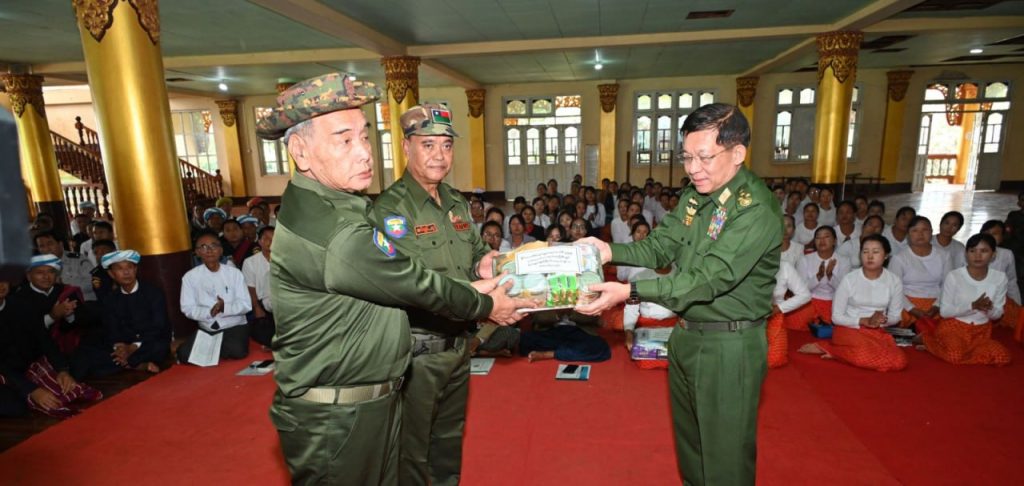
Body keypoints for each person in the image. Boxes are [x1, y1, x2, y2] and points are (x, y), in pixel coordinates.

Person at [254, 73, 529, 485]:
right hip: (342, 412)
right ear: (300, 151)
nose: (364, 153)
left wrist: (484, 269)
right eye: (344, 140)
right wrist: (489, 304)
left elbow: (457, 260)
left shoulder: (333, 204)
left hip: (372, 393)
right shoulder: (342, 229)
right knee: (414, 462)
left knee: (440, 451)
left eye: (365, 137)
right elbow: (415, 282)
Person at [575, 103, 781, 485]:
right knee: (692, 450)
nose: (692, 168)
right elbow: (660, 247)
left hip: (729, 346)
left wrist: (629, 291)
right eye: (686, 157)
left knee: (724, 460)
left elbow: (705, 281)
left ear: (737, 153)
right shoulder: (696, 194)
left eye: (704, 157)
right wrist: (608, 251)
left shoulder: (754, 210)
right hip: (686, 334)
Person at [371, 102, 503, 486]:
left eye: (446, 145)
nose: (439, 155)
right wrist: (484, 297)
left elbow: (477, 256)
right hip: (418, 353)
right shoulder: (392, 209)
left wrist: (496, 265)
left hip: (459, 345)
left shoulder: (456, 202)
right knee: (413, 450)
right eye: (428, 145)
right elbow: (412, 284)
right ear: (406, 146)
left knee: (448, 441)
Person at [798, 235, 908, 372]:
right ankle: (832, 349)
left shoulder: (894, 281)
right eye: (865, 251)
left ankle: (838, 351)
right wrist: (863, 321)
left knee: (899, 361)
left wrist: (882, 320)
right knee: (863, 355)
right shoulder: (849, 279)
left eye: (875, 252)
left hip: (877, 330)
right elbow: (836, 317)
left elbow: (896, 316)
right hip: (849, 329)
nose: (870, 256)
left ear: (886, 255)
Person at [70, 250, 171, 378]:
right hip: (124, 343)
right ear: (111, 274)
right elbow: (112, 329)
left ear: (135, 269)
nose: (126, 272)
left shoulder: (153, 293)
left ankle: (128, 362)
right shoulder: (111, 299)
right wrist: (120, 347)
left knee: (158, 347)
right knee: (89, 348)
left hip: (147, 342)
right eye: (120, 268)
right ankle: (135, 364)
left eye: (130, 267)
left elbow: (158, 327)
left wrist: (132, 347)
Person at [920, 234, 1011, 366]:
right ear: (966, 254)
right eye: (972, 251)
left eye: (984, 251)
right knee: (954, 355)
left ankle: (964, 352)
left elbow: (997, 315)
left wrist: (988, 309)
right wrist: (972, 306)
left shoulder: (1000, 278)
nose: (978, 256)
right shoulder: (954, 276)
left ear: (993, 254)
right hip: (953, 328)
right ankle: (926, 340)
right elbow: (945, 312)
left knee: (1002, 357)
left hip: (981, 332)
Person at [176, 231, 252, 364]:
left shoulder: (234, 274)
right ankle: (211, 348)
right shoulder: (190, 277)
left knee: (237, 351)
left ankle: (210, 350)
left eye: (213, 246)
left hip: (233, 325)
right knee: (184, 355)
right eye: (203, 247)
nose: (209, 250)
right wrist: (208, 312)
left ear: (221, 250)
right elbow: (187, 308)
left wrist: (225, 307)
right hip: (208, 327)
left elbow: (246, 305)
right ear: (197, 252)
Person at [889, 216, 950, 330]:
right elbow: (894, 290)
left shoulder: (944, 255)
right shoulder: (899, 258)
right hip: (907, 303)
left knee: (950, 319)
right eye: (915, 230)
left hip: (936, 302)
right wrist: (913, 309)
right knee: (896, 316)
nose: (920, 234)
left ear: (931, 232)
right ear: (908, 234)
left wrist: (937, 306)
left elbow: (949, 286)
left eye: (925, 230)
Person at [786, 226, 849, 331]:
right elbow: (800, 290)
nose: (822, 240)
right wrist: (818, 277)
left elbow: (844, 291)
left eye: (826, 237)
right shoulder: (805, 259)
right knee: (794, 324)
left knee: (839, 327)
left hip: (834, 302)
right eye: (818, 238)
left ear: (834, 241)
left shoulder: (844, 261)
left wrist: (830, 276)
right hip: (809, 301)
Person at [767, 259, 811, 368]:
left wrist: (779, 308)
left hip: (774, 314)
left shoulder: (784, 266)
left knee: (774, 360)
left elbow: (805, 295)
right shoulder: (747, 262)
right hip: (748, 316)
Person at [34, 230, 97, 302]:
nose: (46, 249)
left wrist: (65, 286)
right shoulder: (37, 268)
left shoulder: (78, 259)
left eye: (50, 244)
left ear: (60, 244)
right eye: (42, 246)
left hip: (85, 302)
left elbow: (94, 282)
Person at [242, 226, 276, 347]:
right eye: (266, 238)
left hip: (283, 303)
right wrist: (257, 307)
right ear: (260, 241)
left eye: (274, 238)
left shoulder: (286, 260)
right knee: (264, 334)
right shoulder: (250, 262)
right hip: (262, 304)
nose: (271, 242)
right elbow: (250, 288)